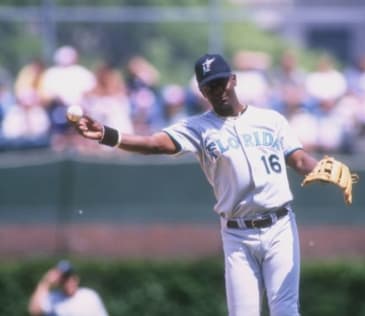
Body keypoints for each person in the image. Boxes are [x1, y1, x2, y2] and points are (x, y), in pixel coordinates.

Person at [71, 53, 326, 316]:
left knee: (285, 310)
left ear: (233, 80)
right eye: (210, 86)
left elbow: (299, 159)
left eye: (221, 82)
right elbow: (154, 144)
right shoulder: (198, 127)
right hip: (237, 234)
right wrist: (106, 135)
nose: (218, 91)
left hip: (280, 225)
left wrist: (321, 169)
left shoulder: (271, 119)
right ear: (202, 92)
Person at [28, 260, 108, 316]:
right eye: (64, 280)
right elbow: (34, 310)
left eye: (69, 279)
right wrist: (46, 282)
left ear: (76, 279)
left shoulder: (89, 296)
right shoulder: (53, 299)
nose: (67, 283)